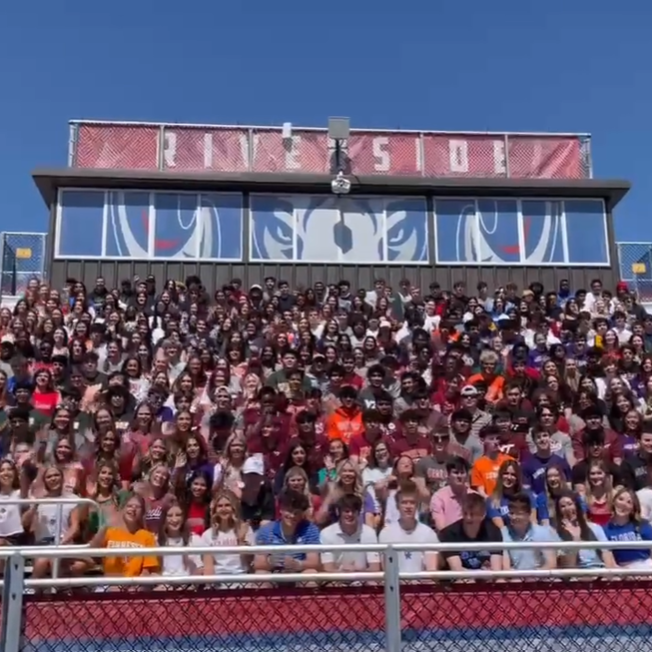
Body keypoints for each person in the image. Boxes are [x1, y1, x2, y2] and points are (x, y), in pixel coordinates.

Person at [254, 490, 321, 574]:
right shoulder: (266, 530)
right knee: (260, 573)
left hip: (299, 574)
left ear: (302, 513)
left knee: (311, 572)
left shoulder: (310, 529)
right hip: (274, 573)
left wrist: (298, 564)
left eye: (296, 512)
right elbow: (258, 564)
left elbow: (314, 562)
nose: (292, 516)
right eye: (289, 511)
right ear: (281, 510)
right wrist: (271, 562)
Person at [378, 481, 439, 572]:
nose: (408, 506)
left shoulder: (428, 533)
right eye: (404, 503)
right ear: (397, 506)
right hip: (395, 584)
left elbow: (432, 570)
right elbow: (387, 570)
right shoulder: (386, 533)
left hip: (421, 584)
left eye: (412, 503)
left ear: (417, 506)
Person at [438, 492, 505, 572]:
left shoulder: (493, 531)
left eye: (472, 514)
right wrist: (479, 573)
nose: (468, 518)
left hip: (486, 578)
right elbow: (457, 570)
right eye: (465, 513)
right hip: (461, 580)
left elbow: (496, 569)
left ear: (483, 515)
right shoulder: (449, 533)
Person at [320, 494, 380, 573]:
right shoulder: (326, 533)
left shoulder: (369, 533)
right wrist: (344, 574)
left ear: (359, 513)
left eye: (354, 511)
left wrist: (355, 572)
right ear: (338, 512)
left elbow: (375, 568)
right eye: (346, 511)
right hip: (336, 581)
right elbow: (328, 568)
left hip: (363, 579)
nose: (350, 514)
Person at [501, 493, 558, 571]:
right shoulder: (503, 533)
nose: (514, 517)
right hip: (515, 579)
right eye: (511, 513)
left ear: (529, 514)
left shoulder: (543, 532)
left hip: (540, 578)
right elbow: (506, 567)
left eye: (519, 514)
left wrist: (533, 576)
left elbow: (551, 564)